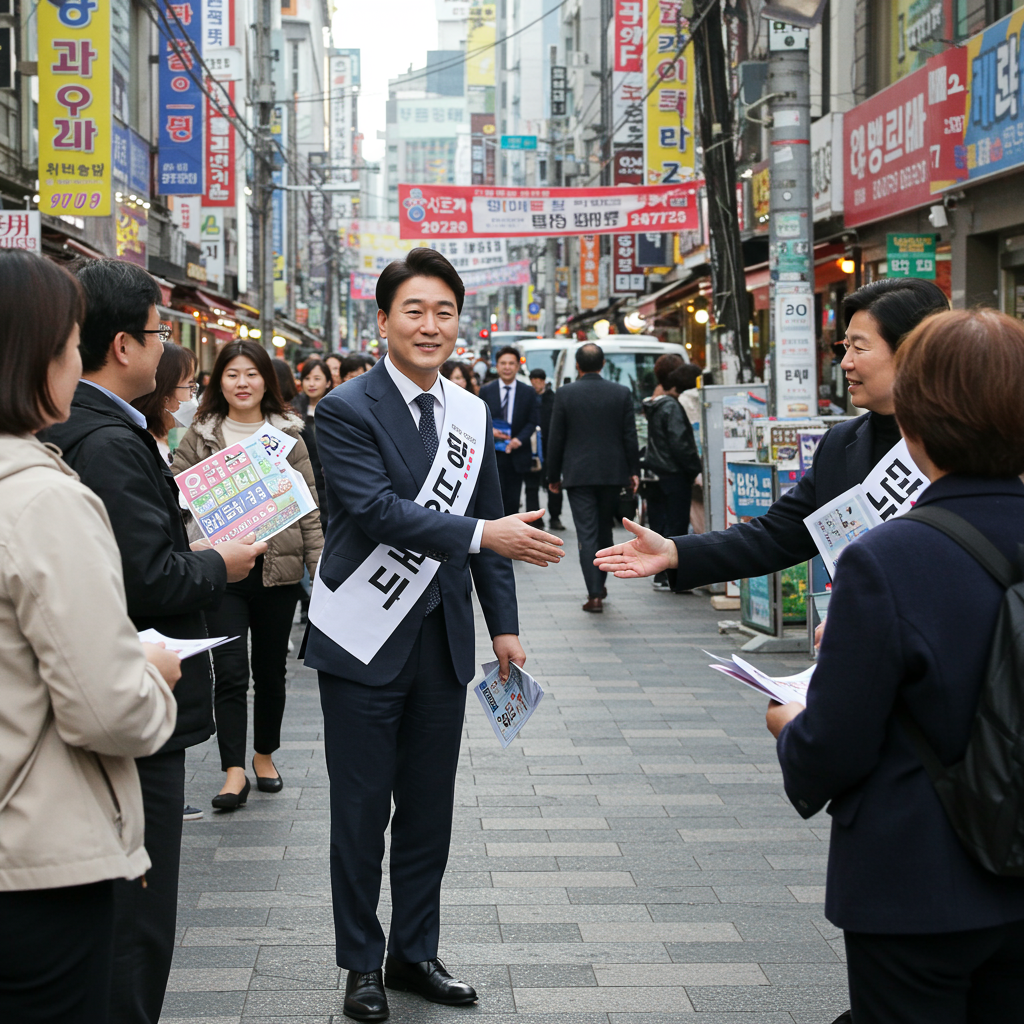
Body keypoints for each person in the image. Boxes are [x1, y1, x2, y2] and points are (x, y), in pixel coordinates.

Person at [303, 247, 564, 1023]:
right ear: (383, 320)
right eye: (413, 310)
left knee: (428, 811)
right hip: (363, 637)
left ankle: (414, 952)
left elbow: (490, 523)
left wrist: (504, 627)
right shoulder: (344, 408)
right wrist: (485, 535)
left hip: (442, 641)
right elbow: (377, 511)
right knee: (360, 812)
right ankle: (361, 963)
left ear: (459, 323)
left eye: (443, 312)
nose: (429, 325)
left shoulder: (469, 413)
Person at [766, 308, 1024, 1024]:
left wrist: (789, 724)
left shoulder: (888, 559)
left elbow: (835, 745)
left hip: (917, 882)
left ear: (913, 423)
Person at [40, 258, 263, 1024]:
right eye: (160, 332)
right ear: (123, 346)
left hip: (103, 702)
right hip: (130, 702)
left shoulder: (87, 432)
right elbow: (147, 580)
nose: (168, 347)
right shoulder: (105, 442)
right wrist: (217, 563)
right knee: (134, 924)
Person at [0, 251, 180, 1024]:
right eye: (73, 345)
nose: (80, 363)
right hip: (36, 857)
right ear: (35, 356)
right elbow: (107, 709)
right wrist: (153, 675)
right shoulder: (43, 501)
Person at [593, 278, 949, 592]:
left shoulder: (964, 445)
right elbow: (778, 533)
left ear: (912, 352)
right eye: (845, 347)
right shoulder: (841, 444)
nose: (845, 363)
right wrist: (674, 551)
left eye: (860, 347)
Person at [172, 340, 324, 810]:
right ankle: (232, 770)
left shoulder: (288, 435)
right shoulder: (201, 434)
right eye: (232, 374)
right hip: (222, 572)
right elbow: (174, 495)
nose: (242, 383)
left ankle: (264, 755)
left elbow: (309, 508)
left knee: (271, 672)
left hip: (279, 572)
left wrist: (319, 572)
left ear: (267, 381)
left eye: (251, 374)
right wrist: (191, 503)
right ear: (219, 381)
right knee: (231, 671)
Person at [545, 342, 640, 613]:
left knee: (586, 533)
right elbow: (629, 435)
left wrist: (553, 474)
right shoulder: (621, 392)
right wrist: (634, 470)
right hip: (612, 473)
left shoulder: (565, 394)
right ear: (603, 364)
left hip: (578, 474)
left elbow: (556, 437)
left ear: (577, 365)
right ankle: (600, 582)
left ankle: (594, 593)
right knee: (605, 530)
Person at [642, 365, 702, 590]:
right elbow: (680, 442)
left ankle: (662, 574)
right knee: (676, 524)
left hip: (657, 472)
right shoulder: (672, 407)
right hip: (674, 473)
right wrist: (693, 468)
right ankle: (670, 576)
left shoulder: (657, 405)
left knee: (661, 524)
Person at [479, 345, 539, 516]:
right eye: (503, 363)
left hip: (517, 453)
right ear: (496, 366)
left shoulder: (528, 392)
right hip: (493, 454)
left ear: (518, 366)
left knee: (513, 500)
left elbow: (533, 421)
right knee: (494, 501)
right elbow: (479, 418)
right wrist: (491, 431)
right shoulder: (486, 391)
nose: (507, 367)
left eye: (511, 363)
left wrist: (518, 440)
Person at [131, 342, 198, 466]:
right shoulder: (139, 442)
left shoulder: (171, 433)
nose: (192, 394)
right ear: (165, 392)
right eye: (190, 385)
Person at [292, 358, 332, 524]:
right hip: (304, 480)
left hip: (329, 480)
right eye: (307, 378)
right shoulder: (293, 411)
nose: (311, 384)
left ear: (328, 382)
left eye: (317, 378)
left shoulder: (336, 407)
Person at [524, 367, 563, 529]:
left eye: (539, 381)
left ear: (544, 381)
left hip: (549, 447)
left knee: (553, 482)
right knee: (531, 485)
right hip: (531, 447)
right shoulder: (527, 397)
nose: (536, 384)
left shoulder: (553, 398)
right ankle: (534, 518)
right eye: (533, 381)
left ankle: (555, 517)